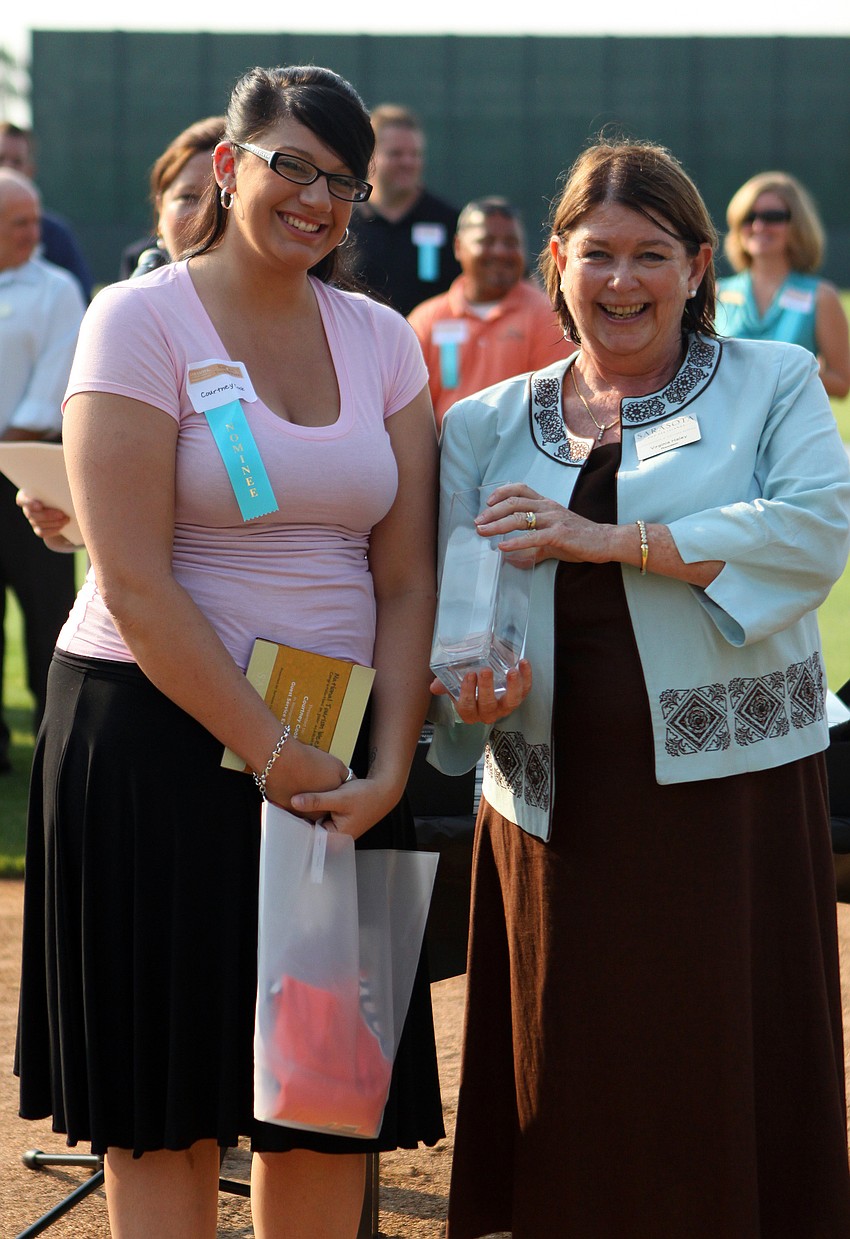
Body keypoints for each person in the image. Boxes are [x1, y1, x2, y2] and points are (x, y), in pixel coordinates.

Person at [15, 64, 442, 1239]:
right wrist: (269, 751)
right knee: (164, 1107)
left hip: (337, 759)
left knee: (324, 1104)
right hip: (154, 741)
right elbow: (135, 582)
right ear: (226, 166)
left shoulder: (382, 339)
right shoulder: (137, 319)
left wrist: (387, 766)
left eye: (342, 182)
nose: (316, 199)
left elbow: (408, 578)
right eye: (291, 166)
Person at [428, 137, 850, 1237]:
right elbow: (451, 604)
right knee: (577, 1064)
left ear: (699, 265)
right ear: (557, 262)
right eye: (599, 254)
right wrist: (465, 691)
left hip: (733, 801)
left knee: (718, 1056)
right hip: (551, 804)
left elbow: (814, 532)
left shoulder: (774, 380)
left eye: (652, 254)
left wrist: (611, 540)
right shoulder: (481, 423)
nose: (623, 281)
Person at [0, 170, 85, 775]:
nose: (35, 232)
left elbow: (53, 380)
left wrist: (12, 443)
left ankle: (54, 740)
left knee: (48, 613)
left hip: (34, 471)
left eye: (35, 219)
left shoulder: (57, 288)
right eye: (19, 223)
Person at [408, 197, 573, 426]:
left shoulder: (548, 316)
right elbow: (411, 411)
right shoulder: (427, 320)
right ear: (458, 247)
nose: (500, 252)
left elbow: (554, 407)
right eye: (487, 241)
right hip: (444, 446)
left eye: (511, 242)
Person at [716, 171, 850, 397]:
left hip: (793, 419)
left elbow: (841, 383)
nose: (759, 226)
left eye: (773, 217)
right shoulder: (716, 294)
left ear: (797, 225)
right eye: (749, 217)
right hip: (729, 419)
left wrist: (786, 373)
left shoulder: (821, 297)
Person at [348, 104, 461, 315]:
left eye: (415, 154)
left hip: (425, 335)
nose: (408, 163)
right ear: (369, 156)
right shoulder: (343, 220)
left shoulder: (447, 221)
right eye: (396, 154)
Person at [119, 115, 225, 279]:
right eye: (188, 197)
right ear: (160, 209)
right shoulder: (138, 280)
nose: (204, 214)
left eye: (222, 196)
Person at [0, 123, 93, 301]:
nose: (7, 167)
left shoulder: (55, 235)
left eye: (17, 161)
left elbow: (82, 299)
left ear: (30, 170)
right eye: (0, 158)